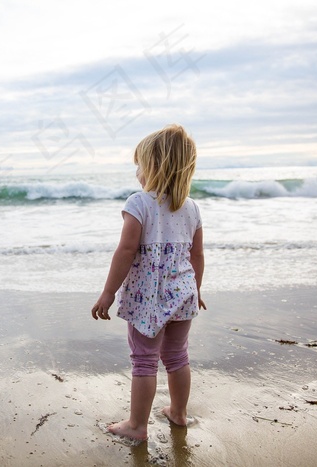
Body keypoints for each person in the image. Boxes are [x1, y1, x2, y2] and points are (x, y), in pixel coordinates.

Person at [91, 124, 206, 442]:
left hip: (148, 297)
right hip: (184, 293)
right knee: (177, 356)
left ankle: (138, 426)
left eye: (139, 165)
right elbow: (197, 255)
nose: (137, 172)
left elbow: (126, 251)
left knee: (144, 359)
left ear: (154, 167)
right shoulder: (192, 207)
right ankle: (179, 414)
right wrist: (196, 290)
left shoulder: (139, 203)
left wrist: (108, 292)